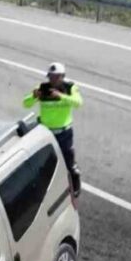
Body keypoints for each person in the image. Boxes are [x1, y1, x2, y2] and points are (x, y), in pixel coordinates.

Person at [23, 62, 83, 196]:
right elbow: (25, 103)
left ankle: (75, 183)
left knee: (69, 162)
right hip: (46, 132)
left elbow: (78, 103)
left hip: (64, 132)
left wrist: (61, 96)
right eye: (51, 77)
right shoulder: (42, 88)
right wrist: (34, 96)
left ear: (63, 76)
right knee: (46, 162)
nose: (53, 80)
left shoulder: (70, 88)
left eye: (56, 77)